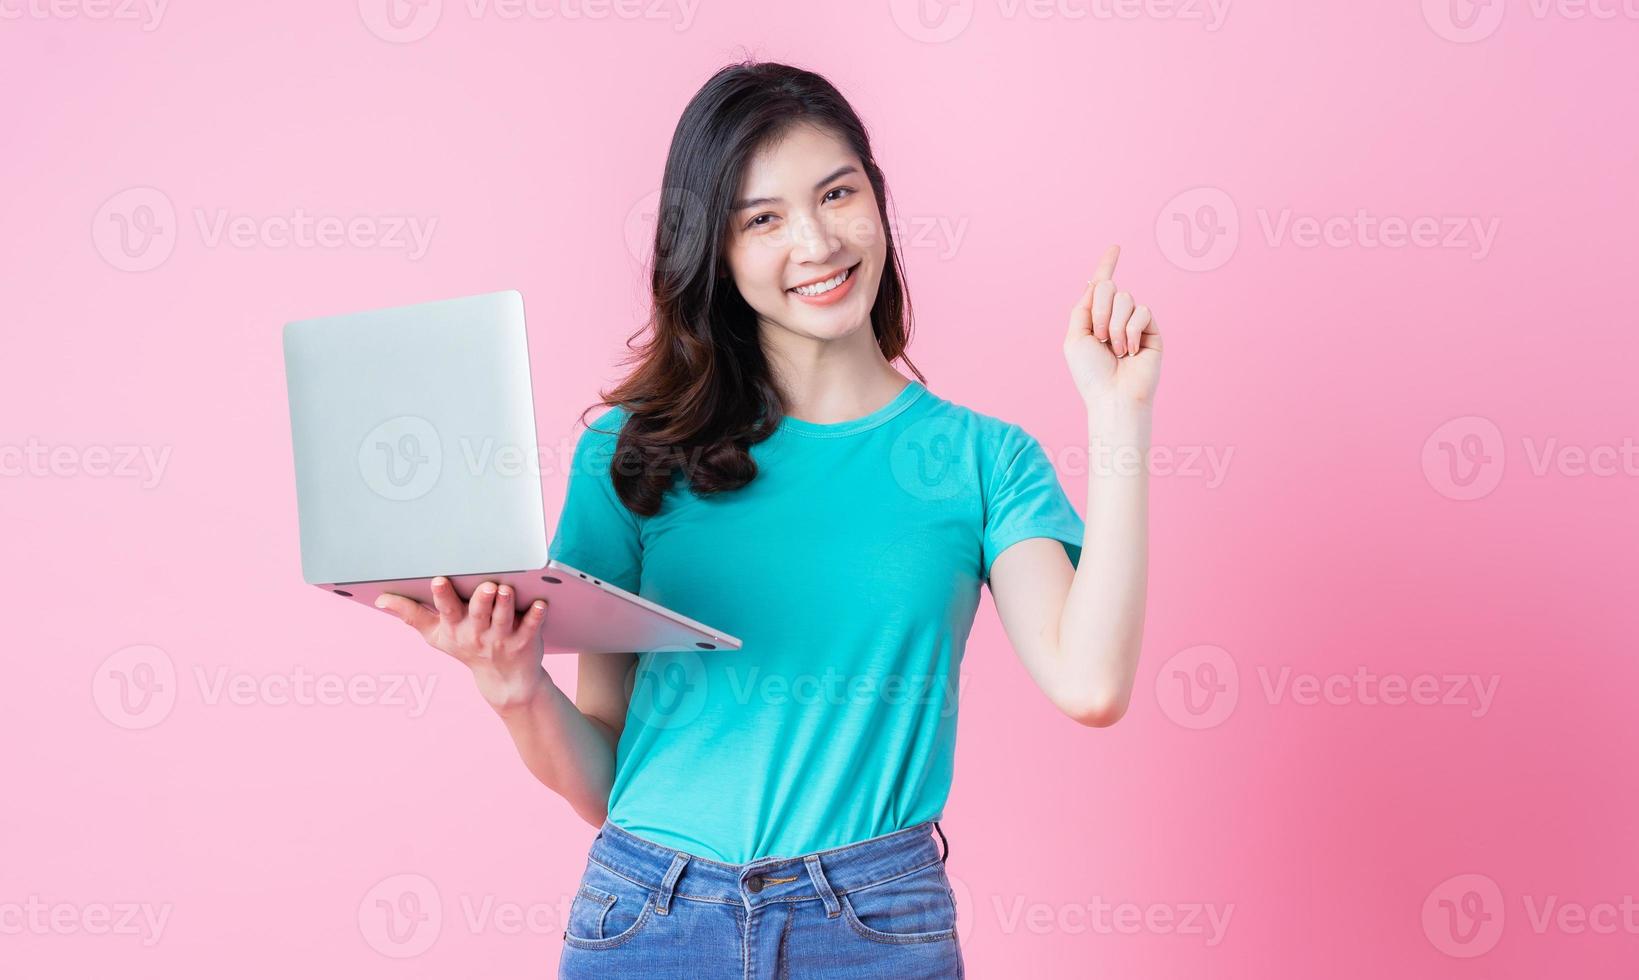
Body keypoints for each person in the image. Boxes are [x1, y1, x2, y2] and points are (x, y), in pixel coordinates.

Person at [374, 60, 1160, 979]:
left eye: (838, 193)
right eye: (763, 219)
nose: (818, 242)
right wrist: (512, 687)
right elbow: (602, 782)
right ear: (716, 250)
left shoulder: (985, 460)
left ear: (876, 195)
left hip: (871, 925)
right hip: (645, 917)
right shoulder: (635, 451)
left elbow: (1091, 683)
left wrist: (1119, 417)